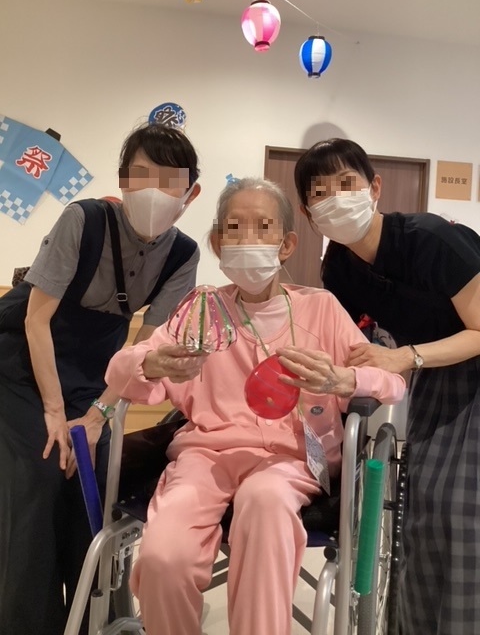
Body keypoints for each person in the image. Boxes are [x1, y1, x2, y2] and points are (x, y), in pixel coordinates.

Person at [105, 177, 405, 635]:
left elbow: (392, 382)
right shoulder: (200, 310)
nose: (248, 238)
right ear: (216, 242)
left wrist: (345, 379)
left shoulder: (321, 309)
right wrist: (151, 363)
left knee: (264, 501)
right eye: (234, 227)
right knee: (165, 555)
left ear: (287, 245)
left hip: (291, 460)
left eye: (264, 227)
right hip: (205, 456)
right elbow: (121, 370)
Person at [0, 123, 202, 635]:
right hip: (23, 364)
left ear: (191, 194)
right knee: (42, 472)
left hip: (97, 374)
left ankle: (96, 621)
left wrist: (98, 416)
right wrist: (53, 412)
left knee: (97, 484)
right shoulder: (84, 220)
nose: (154, 191)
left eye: (169, 181)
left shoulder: (184, 255)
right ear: (123, 181)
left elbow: (143, 350)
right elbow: (36, 321)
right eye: (142, 176)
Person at [294, 138, 480, 635]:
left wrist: (404, 357)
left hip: (465, 367)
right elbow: (345, 341)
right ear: (307, 212)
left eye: (346, 183)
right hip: (437, 380)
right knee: (422, 513)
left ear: (374, 187)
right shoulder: (339, 267)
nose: (335, 197)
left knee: (462, 515)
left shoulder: (431, 239)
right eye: (319, 191)